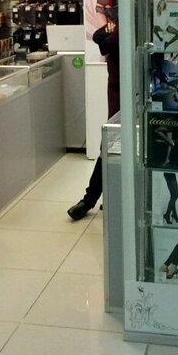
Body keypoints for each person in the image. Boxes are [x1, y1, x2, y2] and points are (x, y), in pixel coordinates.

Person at [68, 18, 120, 220]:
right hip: (117, 97)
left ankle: (94, 199)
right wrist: (107, 36)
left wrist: (108, 36)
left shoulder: (132, 21)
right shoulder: (121, 21)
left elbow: (106, 42)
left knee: (114, 150)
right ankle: (91, 199)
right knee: (107, 149)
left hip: (131, 95)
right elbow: (99, 37)